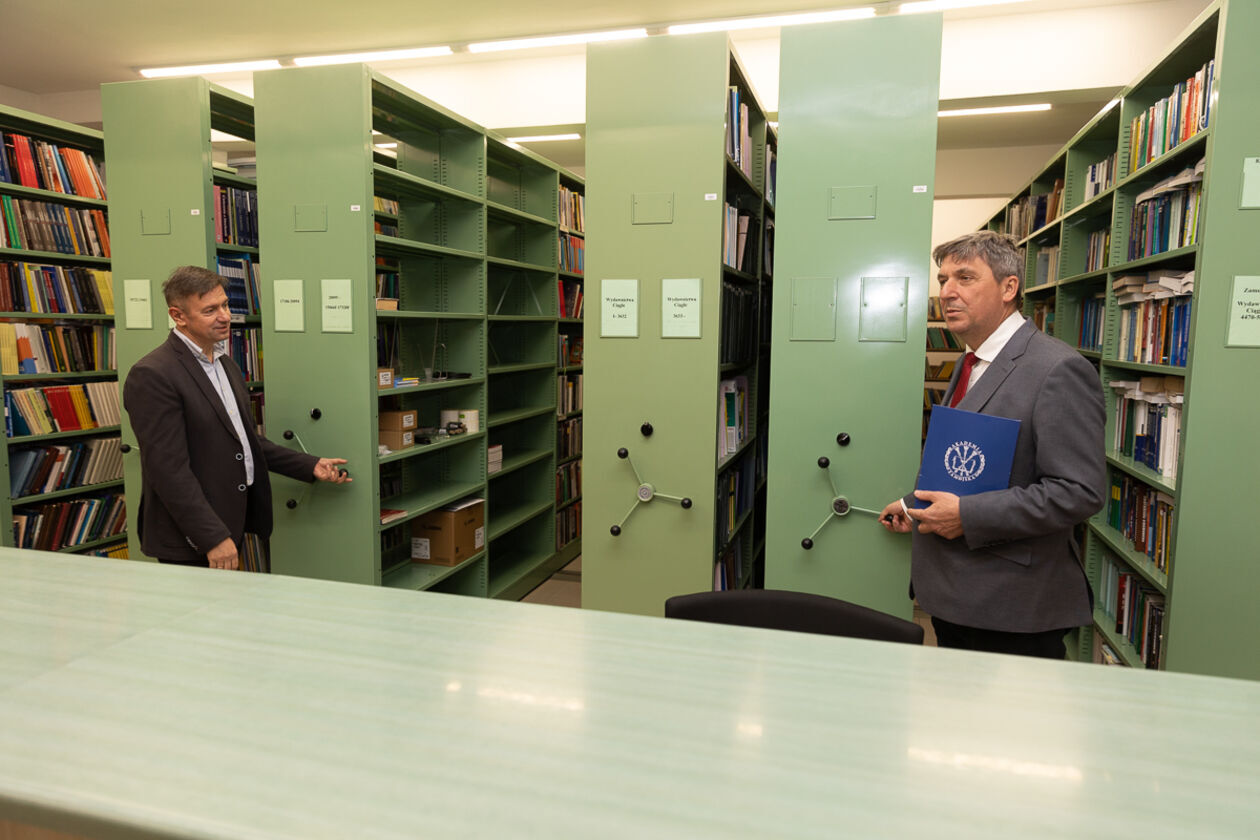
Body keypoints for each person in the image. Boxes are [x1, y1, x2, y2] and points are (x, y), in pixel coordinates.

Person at [880, 231, 1105, 658]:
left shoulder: (1058, 369)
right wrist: (915, 505)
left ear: (1008, 287)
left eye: (965, 278)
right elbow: (973, 465)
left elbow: (1079, 492)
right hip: (956, 597)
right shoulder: (971, 360)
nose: (947, 292)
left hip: (1011, 609)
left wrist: (967, 516)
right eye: (943, 280)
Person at [124, 265, 351, 569]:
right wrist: (212, 538)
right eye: (210, 310)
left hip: (231, 521)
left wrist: (309, 465)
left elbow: (244, 442)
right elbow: (167, 470)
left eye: (225, 305)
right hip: (192, 538)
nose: (225, 316)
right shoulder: (153, 374)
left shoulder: (226, 365)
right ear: (178, 316)